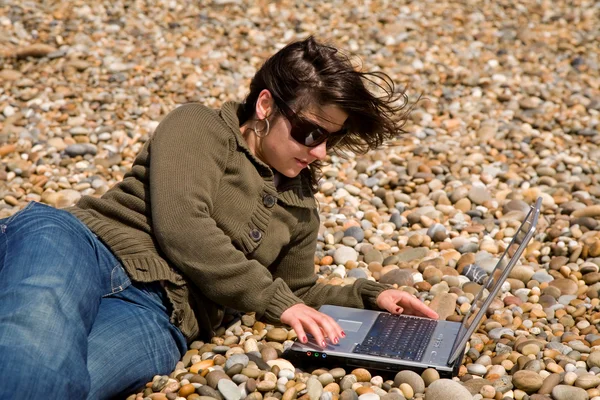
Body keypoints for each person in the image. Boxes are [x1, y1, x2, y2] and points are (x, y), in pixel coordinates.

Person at [0, 36, 438, 399]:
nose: (320, 151)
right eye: (311, 132)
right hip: (84, 245)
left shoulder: (301, 204)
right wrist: (278, 302)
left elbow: (295, 291)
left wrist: (368, 298)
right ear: (265, 106)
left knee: (73, 383)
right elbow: (183, 225)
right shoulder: (200, 126)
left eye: (331, 140)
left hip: (161, 315)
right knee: (33, 342)